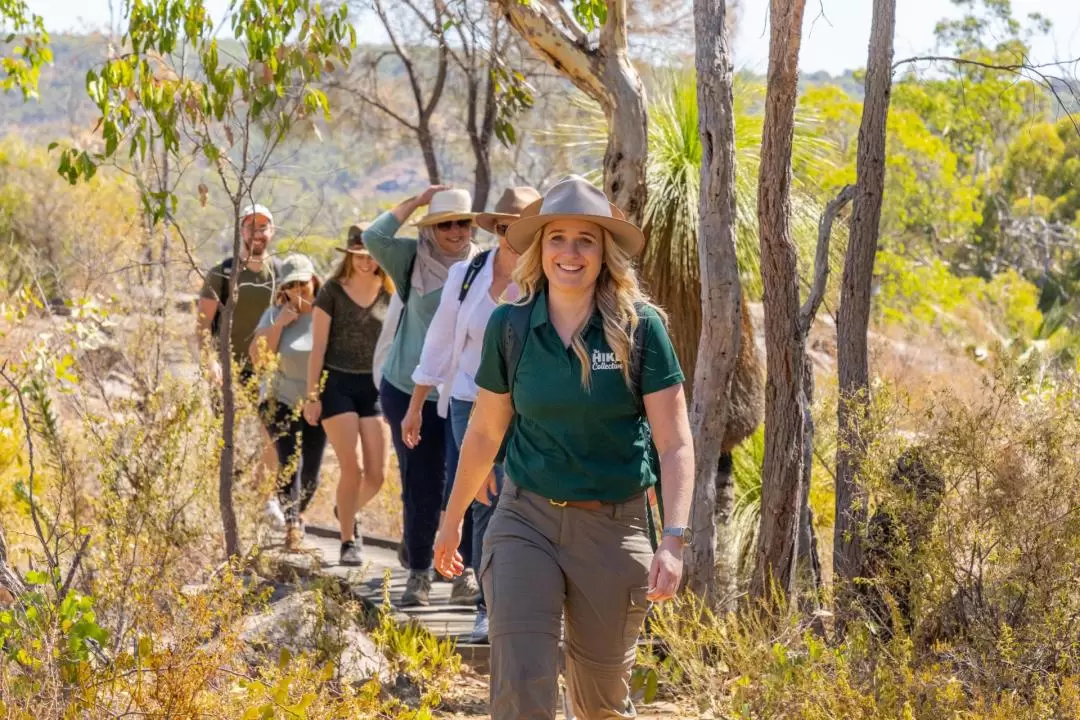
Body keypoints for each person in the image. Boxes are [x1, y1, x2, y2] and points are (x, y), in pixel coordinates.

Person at [433, 176, 695, 719]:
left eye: (585, 239)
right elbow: (485, 432)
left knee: (599, 704)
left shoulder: (640, 328)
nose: (569, 253)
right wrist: (452, 517)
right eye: (557, 238)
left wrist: (673, 539)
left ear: (605, 252)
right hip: (524, 519)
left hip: (613, 526)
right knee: (521, 687)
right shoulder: (511, 325)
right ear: (539, 248)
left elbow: (674, 444)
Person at [402, 186, 540, 640]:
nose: (510, 235)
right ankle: (488, 607)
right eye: (503, 226)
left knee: (526, 496)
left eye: (520, 227)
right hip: (468, 398)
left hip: (529, 404)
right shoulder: (468, 274)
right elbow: (441, 341)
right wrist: (417, 403)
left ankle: (529, 600)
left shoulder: (547, 278)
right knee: (485, 494)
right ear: (496, 228)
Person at [363, 186, 479, 607]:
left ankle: (463, 570)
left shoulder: (481, 266)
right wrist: (417, 200)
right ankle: (418, 573)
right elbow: (373, 238)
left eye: (462, 222)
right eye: (444, 223)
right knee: (421, 482)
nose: (454, 230)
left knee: (463, 484)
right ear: (430, 228)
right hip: (408, 389)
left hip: (463, 393)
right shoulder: (412, 258)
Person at [302, 225, 393, 566]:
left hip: (374, 387)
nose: (366, 262)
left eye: (372, 255)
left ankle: (345, 510)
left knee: (377, 475)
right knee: (351, 468)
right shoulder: (331, 292)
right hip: (336, 385)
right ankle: (347, 540)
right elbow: (318, 346)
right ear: (349, 256)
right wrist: (312, 396)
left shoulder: (390, 292)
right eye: (359, 256)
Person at [196, 203, 283, 525]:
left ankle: (265, 500)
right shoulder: (222, 273)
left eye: (264, 226)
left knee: (273, 434)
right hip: (228, 369)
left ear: (271, 231)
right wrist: (211, 364)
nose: (257, 233)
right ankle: (223, 505)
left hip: (267, 370)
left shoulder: (280, 273)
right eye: (251, 226)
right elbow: (203, 327)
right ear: (241, 231)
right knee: (227, 441)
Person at [249, 254, 326, 552]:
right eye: (291, 284)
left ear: (314, 281)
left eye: (302, 283)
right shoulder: (273, 314)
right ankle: (292, 525)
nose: (297, 290)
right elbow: (257, 357)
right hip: (278, 397)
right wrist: (280, 324)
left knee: (312, 471)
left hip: (316, 399)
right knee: (291, 462)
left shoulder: (324, 313)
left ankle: (297, 513)